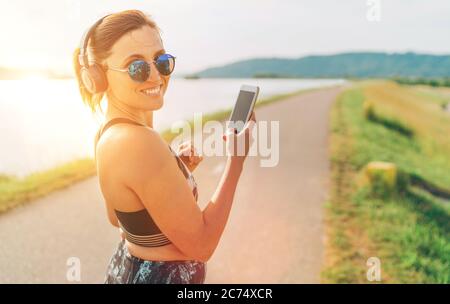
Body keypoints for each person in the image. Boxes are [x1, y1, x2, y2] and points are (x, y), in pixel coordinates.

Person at [73, 10, 256, 284]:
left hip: (128, 268)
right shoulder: (139, 142)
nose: (156, 76)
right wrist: (236, 162)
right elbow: (203, 245)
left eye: (161, 61)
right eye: (137, 67)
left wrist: (173, 175)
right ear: (98, 77)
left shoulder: (106, 132)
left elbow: (118, 217)